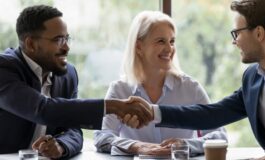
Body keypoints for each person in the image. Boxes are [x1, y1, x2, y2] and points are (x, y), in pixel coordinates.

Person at [125, 0, 265, 159]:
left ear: (259, 33)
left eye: (236, 33)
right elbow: (212, 114)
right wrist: (152, 112)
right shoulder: (252, 79)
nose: (234, 42)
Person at [0, 5, 152, 159]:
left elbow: (74, 130)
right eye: (58, 40)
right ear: (31, 44)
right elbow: (42, 109)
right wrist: (113, 106)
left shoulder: (68, 74)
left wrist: (61, 145)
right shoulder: (3, 69)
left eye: (67, 38)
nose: (66, 47)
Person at [93, 11, 227, 156]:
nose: (169, 49)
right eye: (161, 41)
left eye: (172, 41)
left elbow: (219, 135)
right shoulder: (120, 90)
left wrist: (184, 145)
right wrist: (138, 147)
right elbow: (102, 137)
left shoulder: (190, 88)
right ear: (139, 47)